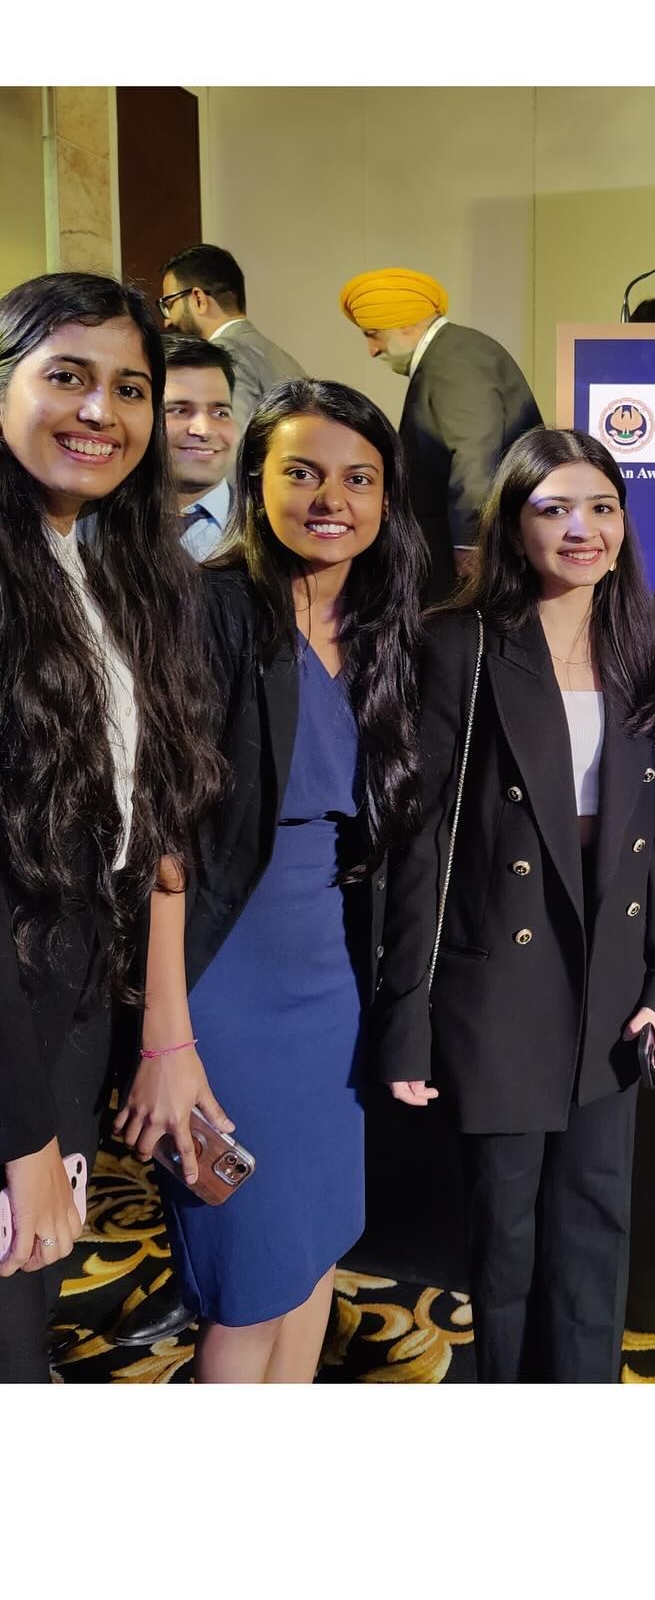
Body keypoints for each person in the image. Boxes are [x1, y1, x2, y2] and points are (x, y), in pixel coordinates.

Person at [116, 377, 427, 1383]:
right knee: (248, 1281)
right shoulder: (207, 608)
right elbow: (164, 841)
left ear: (387, 497)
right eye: (302, 472)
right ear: (256, 482)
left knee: (315, 1250)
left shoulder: (384, 628)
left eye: (358, 478)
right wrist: (168, 1039)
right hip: (224, 990)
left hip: (333, 992)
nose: (330, 498)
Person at [373, 427, 655, 1383]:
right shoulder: (457, 645)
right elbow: (421, 846)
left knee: (596, 1232)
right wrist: (406, 1020)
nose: (582, 529)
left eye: (601, 507)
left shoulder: (645, 648)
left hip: (611, 978)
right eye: (554, 509)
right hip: (499, 981)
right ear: (514, 526)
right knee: (504, 1239)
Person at [0, 272, 222, 1383]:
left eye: (130, 388)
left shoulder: (128, 572)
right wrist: (24, 1140)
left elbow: (157, 816)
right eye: (67, 377)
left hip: (70, 1007)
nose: (101, 411)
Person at [338, 267, 542, 603]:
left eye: (374, 334)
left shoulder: (455, 360)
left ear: (406, 324)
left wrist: (471, 545)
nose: (372, 350)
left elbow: (474, 455)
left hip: (466, 558)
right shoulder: (453, 353)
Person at [159, 244, 306, 435]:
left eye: (169, 304)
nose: (167, 321)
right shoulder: (284, 359)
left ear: (199, 299)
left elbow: (231, 442)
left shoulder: (224, 356)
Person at [162, 334, 238, 561]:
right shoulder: (87, 525)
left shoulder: (271, 532)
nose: (204, 430)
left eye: (220, 413)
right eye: (180, 411)